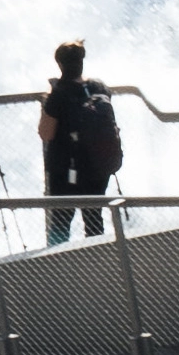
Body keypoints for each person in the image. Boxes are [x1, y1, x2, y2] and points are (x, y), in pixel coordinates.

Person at [37, 40, 122, 243]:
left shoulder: (58, 95)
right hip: (98, 166)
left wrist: (47, 100)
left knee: (61, 221)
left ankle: (57, 265)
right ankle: (98, 263)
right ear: (82, 60)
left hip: (67, 170)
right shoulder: (99, 86)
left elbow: (46, 133)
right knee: (94, 218)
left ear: (59, 64)